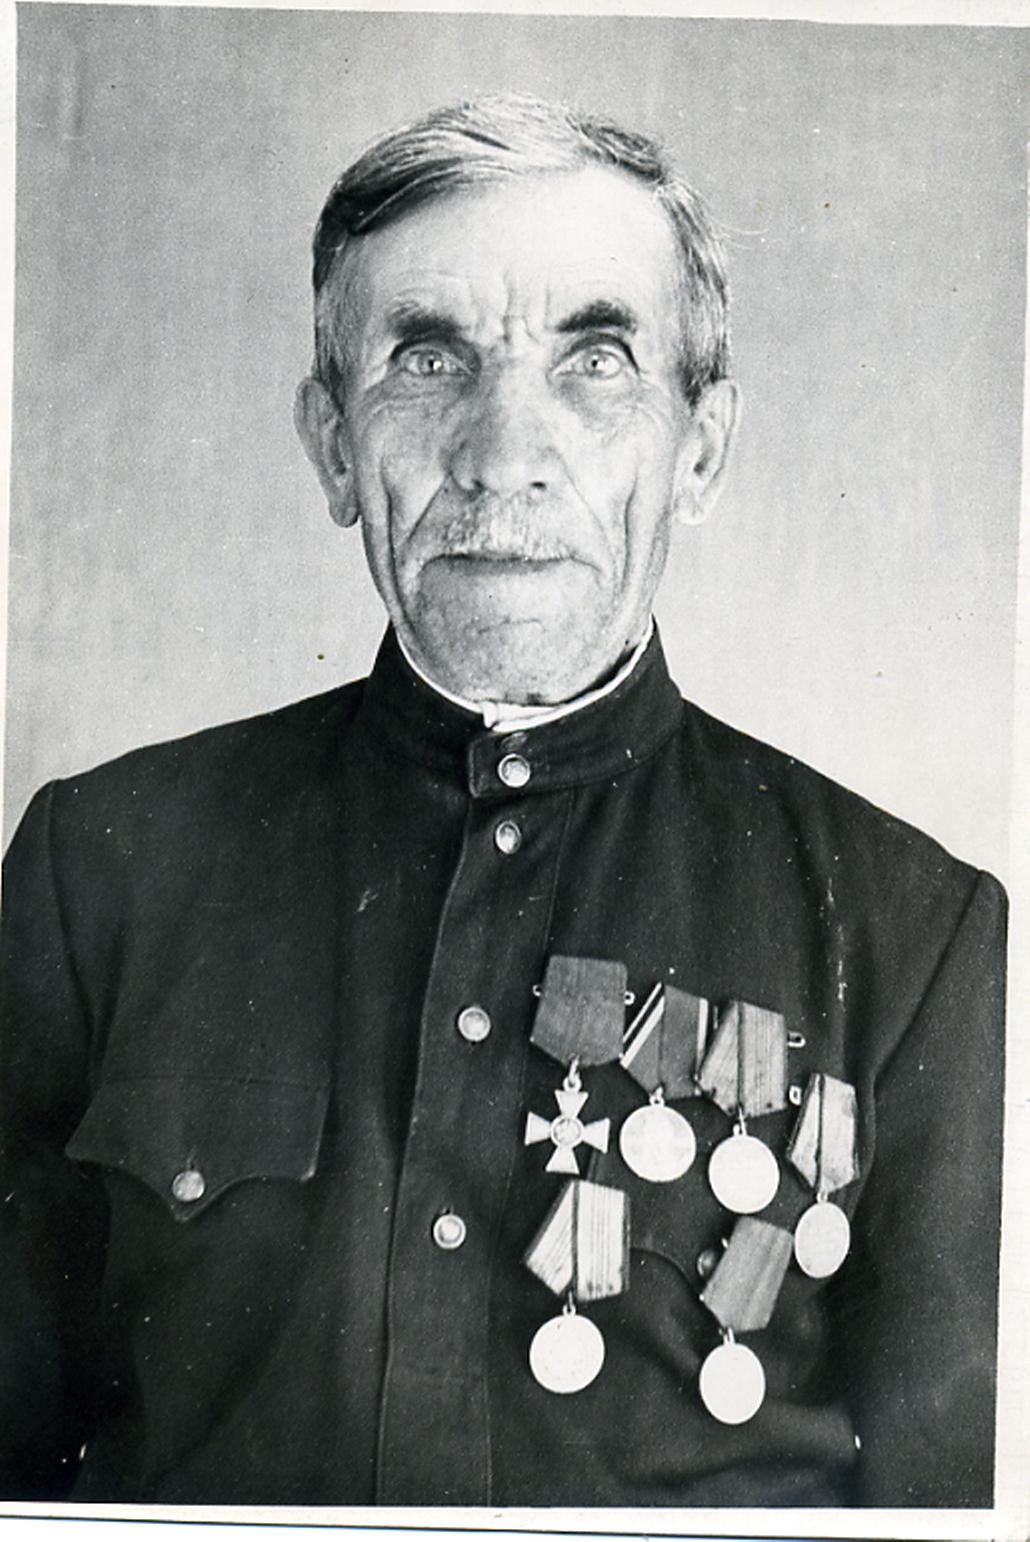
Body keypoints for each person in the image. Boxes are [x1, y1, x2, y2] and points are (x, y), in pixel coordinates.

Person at [0, 92, 1006, 1510]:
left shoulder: (914, 933)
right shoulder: (99, 868)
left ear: (700, 448)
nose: (501, 452)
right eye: (427, 359)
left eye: (596, 362)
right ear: (334, 444)